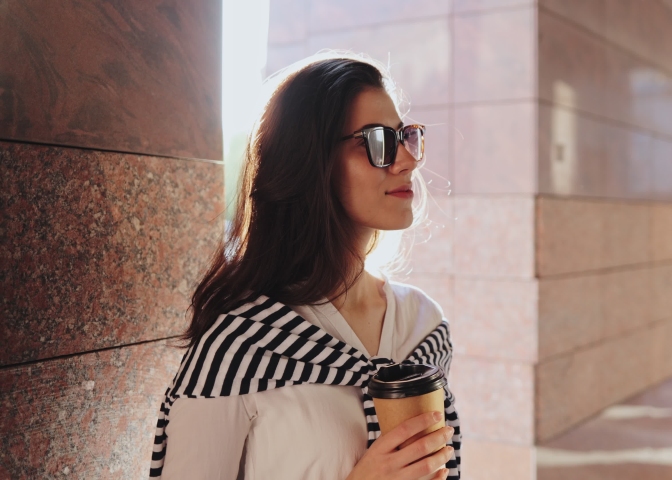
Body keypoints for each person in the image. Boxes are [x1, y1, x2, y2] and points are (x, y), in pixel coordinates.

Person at [147, 54, 461, 480]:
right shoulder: (243, 342)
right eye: (379, 141)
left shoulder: (423, 325)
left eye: (405, 137)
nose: (408, 159)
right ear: (310, 161)